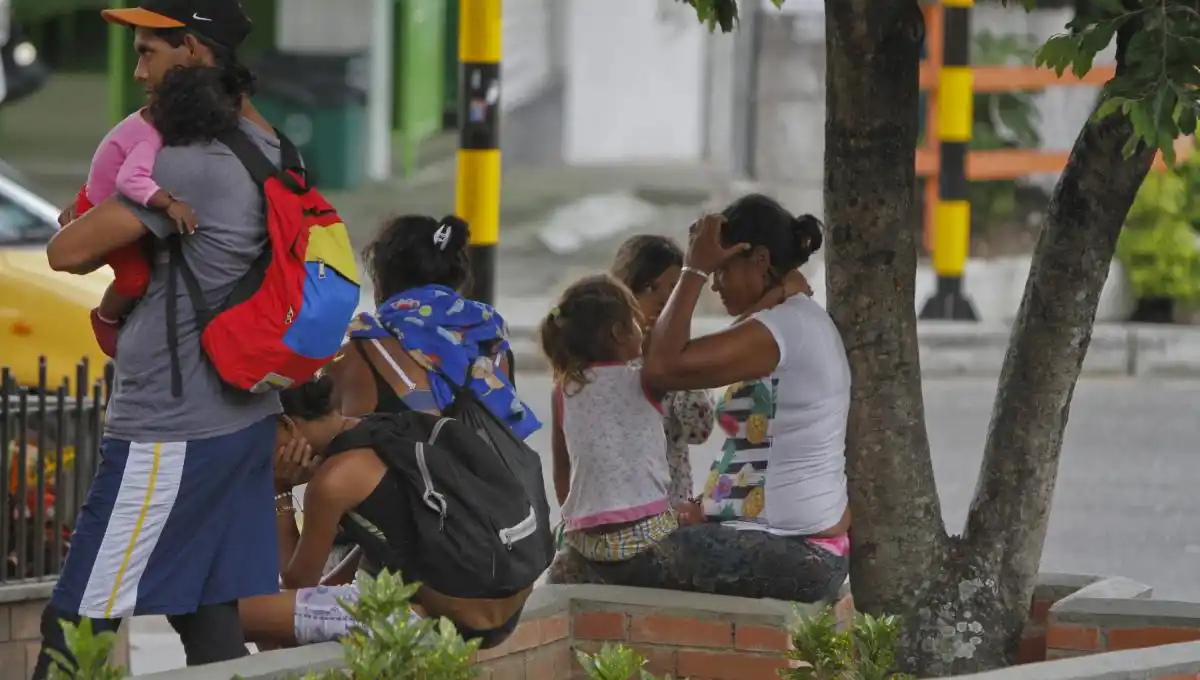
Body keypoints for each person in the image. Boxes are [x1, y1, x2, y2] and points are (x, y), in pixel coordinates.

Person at [35, 1, 288, 675]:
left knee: (76, 619)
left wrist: (91, 207)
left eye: (151, 53)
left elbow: (67, 255)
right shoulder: (269, 147)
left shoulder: (189, 163)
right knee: (208, 618)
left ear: (196, 53)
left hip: (172, 430)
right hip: (240, 419)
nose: (141, 72)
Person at [551, 194, 850, 604]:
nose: (715, 283)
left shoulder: (787, 326)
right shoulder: (781, 318)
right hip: (779, 540)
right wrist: (707, 508)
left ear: (760, 261)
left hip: (798, 554)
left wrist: (693, 267)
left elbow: (663, 366)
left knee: (595, 561)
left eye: (722, 270)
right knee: (593, 548)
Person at [238, 373, 523, 650]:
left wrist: (280, 490)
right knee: (277, 612)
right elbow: (387, 542)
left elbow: (297, 581)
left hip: (453, 620)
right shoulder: (378, 429)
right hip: (499, 610)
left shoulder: (333, 480)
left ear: (287, 425)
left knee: (240, 615)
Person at [326, 214, 535, 440]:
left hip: (404, 474)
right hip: (488, 475)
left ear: (383, 275)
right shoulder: (492, 342)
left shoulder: (362, 352)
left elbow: (332, 444)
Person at [78, 64, 239, 356]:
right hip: (100, 209)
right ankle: (105, 317)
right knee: (135, 277)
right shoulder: (149, 137)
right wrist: (168, 203)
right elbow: (130, 180)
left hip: (103, 196)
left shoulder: (148, 123)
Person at [541, 274, 677, 566]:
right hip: (643, 532)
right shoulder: (643, 376)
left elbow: (561, 471)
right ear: (619, 332)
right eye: (637, 324)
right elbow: (674, 356)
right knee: (692, 514)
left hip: (584, 537)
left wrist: (573, 519)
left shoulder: (565, 389)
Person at [611, 235, 715, 504]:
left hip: (669, 511)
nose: (662, 301)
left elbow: (699, 431)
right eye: (649, 289)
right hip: (615, 511)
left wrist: (676, 360)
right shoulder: (605, 362)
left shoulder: (685, 361)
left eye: (673, 290)